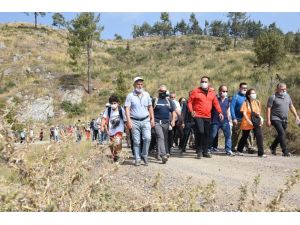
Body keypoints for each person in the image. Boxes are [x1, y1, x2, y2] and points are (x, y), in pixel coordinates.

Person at [188, 76, 224, 158]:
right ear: (200, 82)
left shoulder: (212, 92)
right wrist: (191, 111)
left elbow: (216, 103)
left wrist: (220, 112)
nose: (204, 83)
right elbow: (190, 102)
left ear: (209, 83)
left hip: (207, 116)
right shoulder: (195, 91)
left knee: (207, 133)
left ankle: (205, 151)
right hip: (197, 115)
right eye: (202, 81)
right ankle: (199, 150)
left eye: (205, 81)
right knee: (201, 131)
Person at [125, 76, 154, 166]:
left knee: (147, 138)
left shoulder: (146, 94)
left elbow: (150, 107)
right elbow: (127, 109)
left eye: (141, 84)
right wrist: (128, 121)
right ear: (134, 85)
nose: (140, 86)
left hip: (145, 120)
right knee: (136, 141)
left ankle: (144, 155)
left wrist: (152, 118)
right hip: (134, 121)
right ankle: (137, 158)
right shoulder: (130, 96)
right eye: (138, 84)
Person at [267, 83, 300, 156]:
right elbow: (268, 109)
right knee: (282, 133)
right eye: (282, 89)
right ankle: (285, 151)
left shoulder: (287, 96)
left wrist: (296, 116)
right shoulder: (273, 97)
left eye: (285, 89)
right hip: (275, 118)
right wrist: (268, 120)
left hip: (284, 119)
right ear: (277, 89)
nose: (284, 90)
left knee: (281, 134)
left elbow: (291, 106)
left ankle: (273, 147)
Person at [237, 89, 266, 157]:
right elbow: (244, 113)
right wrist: (248, 121)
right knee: (245, 136)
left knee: (259, 135)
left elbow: (258, 112)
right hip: (247, 122)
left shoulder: (257, 102)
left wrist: (261, 118)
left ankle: (261, 153)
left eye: (254, 93)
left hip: (255, 121)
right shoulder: (246, 102)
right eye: (252, 93)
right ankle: (239, 150)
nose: (254, 94)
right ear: (248, 95)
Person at [153, 85, 176, 164]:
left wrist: (173, 120)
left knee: (162, 138)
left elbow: (173, 111)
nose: (163, 92)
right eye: (161, 91)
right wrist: (151, 121)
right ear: (159, 91)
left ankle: (158, 153)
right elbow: (150, 111)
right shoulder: (155, 100)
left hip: (166, 123)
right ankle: (163, 155)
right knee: (160, 137)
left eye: (164, 91)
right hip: (157, 122)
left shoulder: (169, 101)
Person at [209, 85, 234, 156]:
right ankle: (208, 148)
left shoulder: (228, 100)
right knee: (212, 135)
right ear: (219, 91)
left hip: (225, 121)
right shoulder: (215, 99)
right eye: (223, 91)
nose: (225, 92)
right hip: (215, 121)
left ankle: (228, 150)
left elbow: (228, 111)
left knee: (228, 135)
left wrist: (230, 120)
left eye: (226, 91)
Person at [101, 95, 127, 162]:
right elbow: (104, 118)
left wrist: (127, 128)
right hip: (111, 130)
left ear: (118, 103)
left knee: (117, 141)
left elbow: (125, 120)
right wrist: (102, 126)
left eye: (114, 103)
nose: (113, 105)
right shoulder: (108, 110)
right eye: (111, 103)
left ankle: (116, 154)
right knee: (112, 144)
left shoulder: (121, 110)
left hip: (119, 129)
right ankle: (114, 155)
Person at [230, 82, 254, 153]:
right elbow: (232, 107)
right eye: (243, 88)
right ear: (239, 88)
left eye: (246, 88)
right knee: (235, 134)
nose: (244, 89)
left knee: (248, 134)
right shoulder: (236, 96)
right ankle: (233, 147)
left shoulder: (248, 97)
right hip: (237, 119)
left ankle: (249, 147)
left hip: (246, 119)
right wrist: (233, 118)